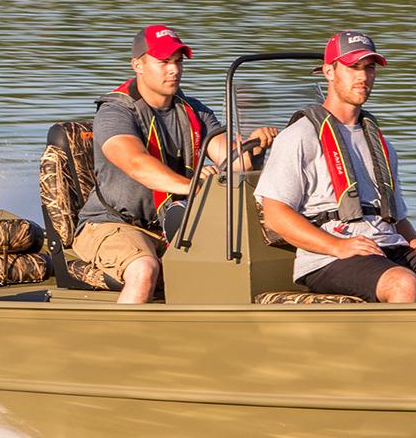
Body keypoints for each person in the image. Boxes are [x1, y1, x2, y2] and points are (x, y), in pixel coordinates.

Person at [255, 31, 416, 303]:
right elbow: (276, 216)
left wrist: (414, 241)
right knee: (403, 284)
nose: (363, 76)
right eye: (353, 67)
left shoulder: (381, 143)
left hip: (390, 249)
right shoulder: (299, 136)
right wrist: (338, 246)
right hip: (329, 259)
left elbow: (395, 216)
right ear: (329, 71)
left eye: (369, 68)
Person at [74, 25, 276, 303]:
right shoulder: (116, 111)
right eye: (163, 62)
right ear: (138, 65)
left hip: (178, 223)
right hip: (113, 224)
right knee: (144, 269)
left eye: (178, 61)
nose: (174, 70)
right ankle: (119, 341)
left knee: (235, 261)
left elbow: (234, 162)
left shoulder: (195, 111)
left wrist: (257, 146)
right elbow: (135, 162)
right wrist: (192, 186)